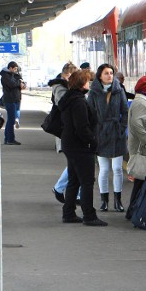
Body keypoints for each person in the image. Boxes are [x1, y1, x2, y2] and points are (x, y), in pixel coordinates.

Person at [58, 69, 107, 226]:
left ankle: (69, 213)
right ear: (81, 84)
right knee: (86, 181)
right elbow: (82, 127)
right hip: (80, 146)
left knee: (74, 180)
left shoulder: (69, 98)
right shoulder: (79, 102)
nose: (89, 84)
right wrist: (93, 142)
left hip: (70, 144)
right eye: (87, 81)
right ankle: (89, 215)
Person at [88, 64, 129, 212]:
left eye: (111, 73)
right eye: (106, 73)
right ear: (100, 76)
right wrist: (94, 131)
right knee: (104, 169)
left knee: (117, 168)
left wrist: (122, 128)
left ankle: (118, 201)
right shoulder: (93, 92)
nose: (109, 76)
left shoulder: (119, 90)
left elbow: (125, 111)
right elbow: (89, 113)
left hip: (116, 133)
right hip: (101, 133)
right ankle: (104, 200)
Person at [125, 76, 146, 220]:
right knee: (141, 181)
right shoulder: (141, 103)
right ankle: (133, 211)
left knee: (141, 181)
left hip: (142, 148)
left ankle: (134, 210)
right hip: (142, 149)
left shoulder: (142, 102)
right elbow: (137, 125)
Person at [49, 62, 78, 203]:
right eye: (69, 76)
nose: (71, 79)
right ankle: (63, 189)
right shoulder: (59, 88)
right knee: (76, 163)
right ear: (64, 75)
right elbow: (64, 106)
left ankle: (63, 189)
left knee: (75, 163)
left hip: (73, 130)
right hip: (66, 130)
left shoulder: (70, 87)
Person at [0, 61, 26, 145]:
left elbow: (22, 82)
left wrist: (23, 84)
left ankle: (8, 139)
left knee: (12, 119)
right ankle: (10, 139)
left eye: (16, 69)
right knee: (11, 120)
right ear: (10, 68)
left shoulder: (16, 74)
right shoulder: (5, 75)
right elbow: (11, 84)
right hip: (9, 100)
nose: (16, 70)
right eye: (14, 69)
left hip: (16, 99)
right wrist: (19, 83)